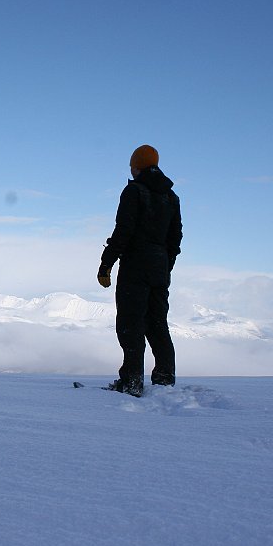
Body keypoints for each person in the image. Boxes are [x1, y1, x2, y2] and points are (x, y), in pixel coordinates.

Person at [97, 144, 182, 397]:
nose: (131, 170)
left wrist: (106, 263)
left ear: (138, 166)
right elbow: (175, 238)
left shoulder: (134, 191)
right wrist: (166, 265)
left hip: (135, 265)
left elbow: (123, 231)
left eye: (132, 166)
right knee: (158, 324)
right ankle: (165, 382)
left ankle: (131, 382)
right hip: (159, 267)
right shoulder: (171, 197)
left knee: (130, 324)